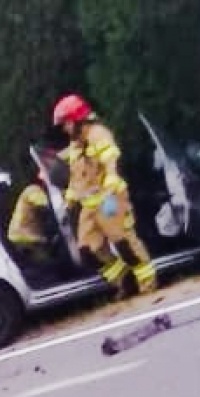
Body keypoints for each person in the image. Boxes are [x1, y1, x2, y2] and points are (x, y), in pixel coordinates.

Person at [53, 93, 157, 296]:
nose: (65, 128)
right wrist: (70, 198)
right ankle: (125, 282)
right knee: (88, 251)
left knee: (123, 241)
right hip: (90, 206)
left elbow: (110, 158)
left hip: (109, 199)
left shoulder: (98, 134)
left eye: (66, 123)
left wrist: (110, 177)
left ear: (77, 119)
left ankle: (147, 282)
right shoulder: (75, 146)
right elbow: (77, 177)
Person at [7, 169, 61, 279]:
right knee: (49, 264)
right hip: (25, 236)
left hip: (21, 235)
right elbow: (47, 204)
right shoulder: (33, 190)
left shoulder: (30, 190)